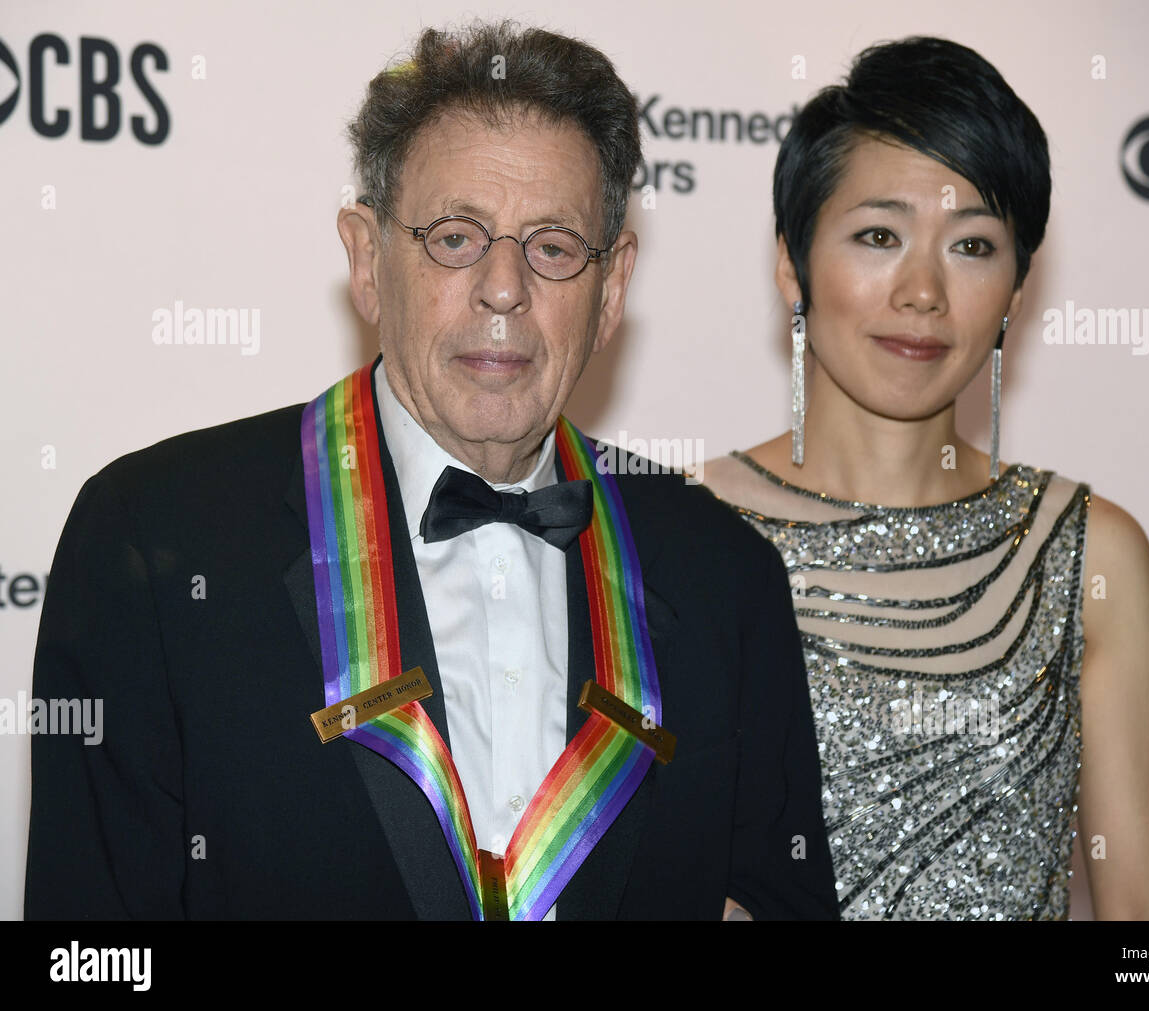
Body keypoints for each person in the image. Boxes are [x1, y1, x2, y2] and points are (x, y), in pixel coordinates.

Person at [24, 21, 837, 921]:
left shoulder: (727, 575)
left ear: (611, 292)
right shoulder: (153, 541)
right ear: (368, 261)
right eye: (455, 237)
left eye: (554, 247)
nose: (503, 288)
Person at [702, 36, 1149, 920]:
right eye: (879, 235)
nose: (923, 290)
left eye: (972, 245)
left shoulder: (1086, 553)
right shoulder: (679, 535)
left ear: (1016, 290)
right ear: (793, 262)